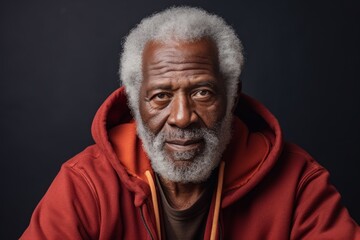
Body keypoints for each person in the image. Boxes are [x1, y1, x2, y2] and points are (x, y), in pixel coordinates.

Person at [21, 6, 360, 240]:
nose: (182, 118)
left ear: (232, 96)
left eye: (201, 92)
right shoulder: (86, 184)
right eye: (160, 97)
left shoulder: (298, 182)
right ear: (134, 102)